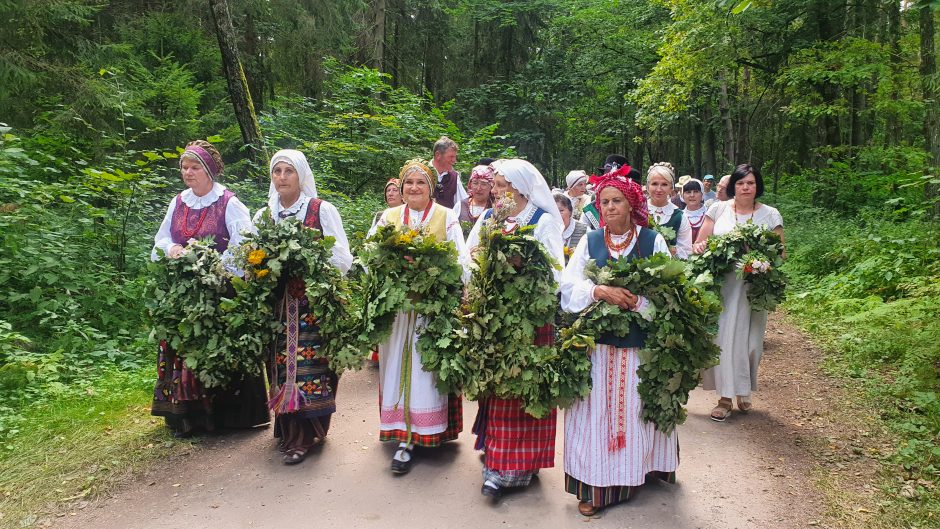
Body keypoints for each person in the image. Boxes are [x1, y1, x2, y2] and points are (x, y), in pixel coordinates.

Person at [560, 171, 677, 517]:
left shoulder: (651, 240)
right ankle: (593, 485)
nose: (610, 208)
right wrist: (599, 291)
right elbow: (568, 286)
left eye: (617, 201)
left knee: (635, 407)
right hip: (597, 346)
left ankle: (636, 472)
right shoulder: (591, 241)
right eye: (605, 202)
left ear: (632, 204)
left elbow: (671, 295)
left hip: (639, 346)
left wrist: (637, 303)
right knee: (594, 411)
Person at [150, 140, 268, 437]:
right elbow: (161, 239)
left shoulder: (229, 203)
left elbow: (244, 245)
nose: (187, 173)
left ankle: (228, 417)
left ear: (209, 171)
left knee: (216, 348)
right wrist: (173, 249)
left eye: (194, 167)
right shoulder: (178, 202)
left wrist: (213, 265)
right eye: (184, 167)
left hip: (220, 289)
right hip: (184, 291)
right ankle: (188, 419)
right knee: (184, 346)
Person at [466, 159, 565, 499]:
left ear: (520, 187)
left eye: (500, 184)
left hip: (530, 321)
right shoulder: (489, 217)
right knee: (498, 388)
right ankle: (499, 458)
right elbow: (470, 258)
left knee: (523, 389)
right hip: (495, 317)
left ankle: (512, 468)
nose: (494, 190)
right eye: (493, 184)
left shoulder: (543, 221)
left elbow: (555, 272)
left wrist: (522, 265)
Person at [368, 159, 470, 474]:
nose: (414, 188)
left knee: (427, 368)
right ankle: (403, 435)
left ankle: (428, 430)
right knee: (397, 363)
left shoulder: (446, 217)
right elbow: (371, 254)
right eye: (408, 183)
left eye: (420, 183)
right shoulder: (388, 217)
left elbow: (461, 261)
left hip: (431, 310)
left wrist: (441, 279)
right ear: (400, 187)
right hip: (398, 311)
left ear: (430, 188)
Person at [254, 149, 354, 464]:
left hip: (313, 303)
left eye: (288, 171)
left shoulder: (321, 210)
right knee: (281, 364)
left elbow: (342, 257)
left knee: (312, 366)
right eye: (277, 171)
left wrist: (308, 261)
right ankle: (287, 427)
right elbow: (249, 254)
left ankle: (309, 433)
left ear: (301, 176)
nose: (282, 177)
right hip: (278, 305)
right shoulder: (264, 215)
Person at [693, 164, 785, 422]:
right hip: (724, 286)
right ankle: (724, 398)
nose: (746, 187)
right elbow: (701, 243)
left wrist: (762, 264)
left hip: (754, 288)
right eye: (741, 183)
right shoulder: (718, 209)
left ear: (758, 186)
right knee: (723, 340)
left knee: (751, 342)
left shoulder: (770, 214)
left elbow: (780, 253)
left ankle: (744, 389)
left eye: (751, 183)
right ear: (733, 185)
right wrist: (701, 248)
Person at [646, 162, 692, 259]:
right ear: (647, 186)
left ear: (671, 188)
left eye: (664, 184)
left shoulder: (680, 216)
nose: (659, 189)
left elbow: (686, 251)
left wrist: (673, 251)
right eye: (654, 184)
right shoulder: (638, 211)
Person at [430, 136, 468, 217]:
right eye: (451, 157)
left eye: (455, 157)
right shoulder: (422, 173)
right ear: (438, 155)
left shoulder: (454, 177)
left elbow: (463, 203)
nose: (454, 160)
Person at [554, 192, 587, 263]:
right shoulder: (546, 232)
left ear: (570, 212)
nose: (557, 215)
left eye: (561, 210)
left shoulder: (585, 231)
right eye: (553, 211)